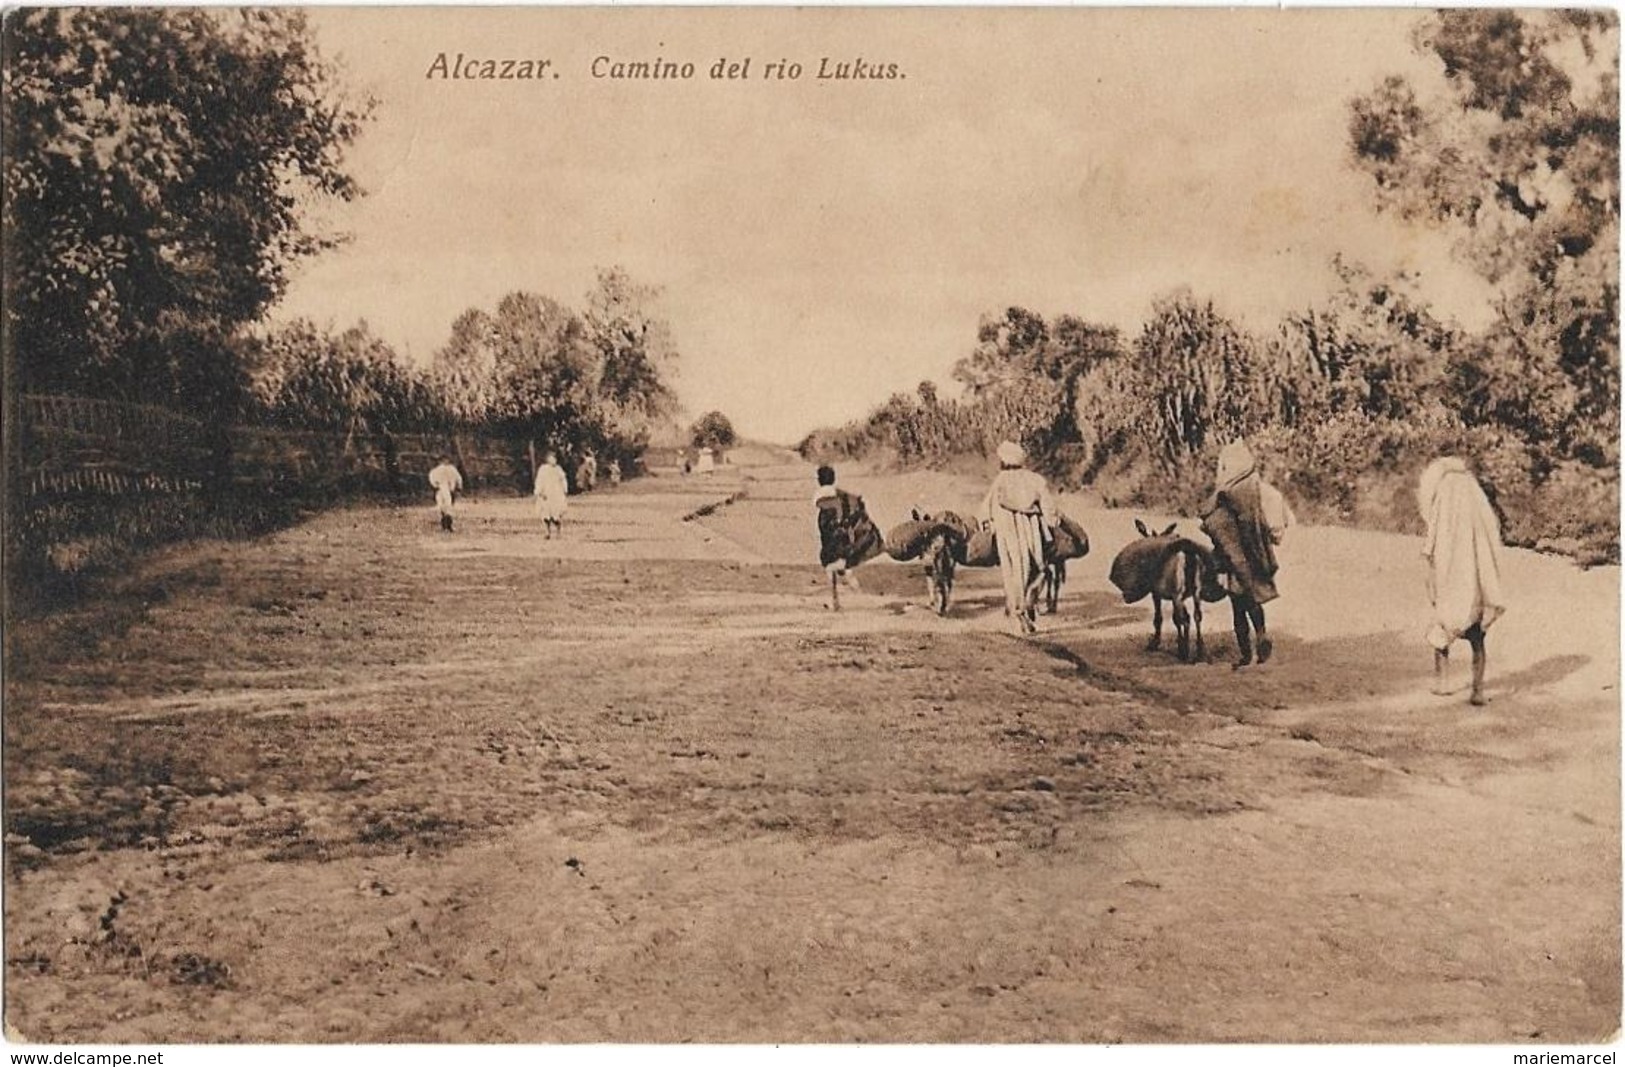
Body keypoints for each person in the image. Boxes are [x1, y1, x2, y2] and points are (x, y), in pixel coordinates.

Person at [1419, 456, 1506, 706]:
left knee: (1443, 632)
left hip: (1450, 582)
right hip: (1474, 586)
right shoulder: (1475, 499)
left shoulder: (1445, 496)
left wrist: (1432, 580)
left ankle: (1443, 681)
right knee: (1477, 639)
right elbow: (1491, 538)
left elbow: (1431, 544)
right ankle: (1477, 690)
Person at [1200, 440, 1293, 667]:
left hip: (1234, 562)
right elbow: (1277, 527)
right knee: (1252, 601)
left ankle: (1245, 654)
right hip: (1256, 555)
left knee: (1238, 607)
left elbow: (1216, 527)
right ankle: (1261, 635)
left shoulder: (1225, 494)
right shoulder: (1259, 492)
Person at [979, 441, 1057, 634]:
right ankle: (1027, 602)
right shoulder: (1035, 479)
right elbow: (1049, 509)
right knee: (1037, 566)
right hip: (1032, 529)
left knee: (1012, 570)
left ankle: (1017, 609)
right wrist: (1052, 521)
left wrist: (986, 524)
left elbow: (985, 509)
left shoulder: (1000, 480)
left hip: (1007, 532)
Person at [814, 464, 882, 610]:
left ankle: (837, 600)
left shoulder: (821, 495)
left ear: (819, 479)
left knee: (831, 566)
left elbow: (824, 519)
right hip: (845, 536)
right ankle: (856, 596)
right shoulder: (843, 495)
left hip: (833, 537)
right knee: (840, 565)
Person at [534, 450, 570, 539]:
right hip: (546, 493)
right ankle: (547, 532)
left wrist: (565, 490)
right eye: (551, 459)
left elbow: (563, 480)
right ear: (547, 459)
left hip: (556, 494)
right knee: (546, 515)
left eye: (554, 459)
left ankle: (558, 532)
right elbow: (539, 481)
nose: (553, 461)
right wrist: (539, 491)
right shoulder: (543, 469)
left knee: (556, 515)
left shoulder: (558, 469)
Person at [427, 455, 463, 533]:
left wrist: (435, 486)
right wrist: (459, 487)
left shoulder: (437, 470)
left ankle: (446, 525)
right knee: (447, 507)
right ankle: (447, 525)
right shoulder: (451, 469)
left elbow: (431, 479)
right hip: (446, 489)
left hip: (443, 489)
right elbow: (459, 479)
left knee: (444, 507)